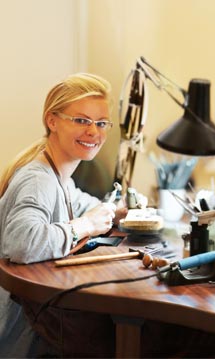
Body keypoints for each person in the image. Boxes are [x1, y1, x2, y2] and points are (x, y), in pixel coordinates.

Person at [0, 72, 127, 357]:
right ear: (52, 120)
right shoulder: (39, 180)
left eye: (101, 123)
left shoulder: (60, 175)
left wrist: (117, 211)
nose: (94, 132)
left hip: (38, 320)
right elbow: (22, 243)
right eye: (82, 120)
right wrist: (85, 225)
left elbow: (82, 204)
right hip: (20, 334)